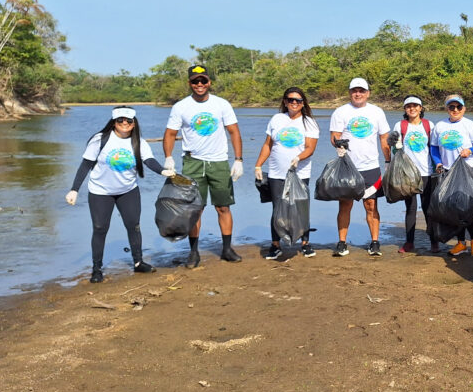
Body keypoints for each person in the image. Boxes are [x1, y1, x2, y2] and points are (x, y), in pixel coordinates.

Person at [66, 106, 171, 282]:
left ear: (134, 123)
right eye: (120, 120)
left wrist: (162, 171)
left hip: (128, 191)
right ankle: (97, 269)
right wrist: (74, 190)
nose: (125, 123)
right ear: (114, 122)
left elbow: (149, 161)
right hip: (100, 192)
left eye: (129, 121)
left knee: (133, 225)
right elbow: (85, 165)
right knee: (100, 228)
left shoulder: (139, 142)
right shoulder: (100, 140)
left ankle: (138, 263)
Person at [162, 65, 244, 268]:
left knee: (223, 207)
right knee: (194, 209)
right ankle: (193, 252)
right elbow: (170, 133)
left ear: (209, 82)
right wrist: (168, 157)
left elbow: (233, 131)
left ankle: (226, 249)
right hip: (193, 163)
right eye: (195, 81)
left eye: (203, 81)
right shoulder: (181, 107)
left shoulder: (221, 104)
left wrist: (238, 160)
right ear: (189, 83)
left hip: (218, 162)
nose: (199, 85)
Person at [254, 87, 319, 260]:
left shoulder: (309, 122)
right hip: (277, 174)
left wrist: (298, 157)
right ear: (285, 101)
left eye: (298, 100)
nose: (294, 103)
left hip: (299, 173)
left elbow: (310, 148)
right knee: (278, 210)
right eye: (291, 100)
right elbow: (268, 145)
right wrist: (258, 165)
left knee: (300, 208)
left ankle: (305, 244)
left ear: (303, 103)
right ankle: (276, 245)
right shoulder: (277, 119)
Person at [329, 77, 390, 257]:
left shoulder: (377, 112)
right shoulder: (340, 112)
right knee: (345, 205)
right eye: (354, 90)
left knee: (371, 205)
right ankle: (341, 243)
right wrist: (338, 144)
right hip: (347, 167)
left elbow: (384, 138)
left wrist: (388, 161)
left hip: (371, 167)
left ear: (368, 93)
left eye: (361, 91)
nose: (358, 94)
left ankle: (375, 242)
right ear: (350, 93)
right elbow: (334, 136)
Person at [429, 94, 473, 256]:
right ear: (447, 109)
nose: (455, 110)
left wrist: (470, 150)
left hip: (469, 171)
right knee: (454, 209)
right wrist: (438, 162)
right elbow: (433, 148)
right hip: (448, 172)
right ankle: (461, 243)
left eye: (458, 107)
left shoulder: (471, 125)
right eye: (451, 107)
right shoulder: (440, 126)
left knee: (469, 206)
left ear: (464, 108)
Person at [390, 95, 437, 253]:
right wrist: (395, 145)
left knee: (428, 208)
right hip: (407, 173)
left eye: (415, 106)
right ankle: (409, 242)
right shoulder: (400, 125)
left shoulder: (429, 125)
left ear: (421, 108)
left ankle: (434, 241)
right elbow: (394, 148)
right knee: (410, 208)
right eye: (409, 106)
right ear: (405, 109)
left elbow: (435, 147)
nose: (412, 108)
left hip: (427, 172)